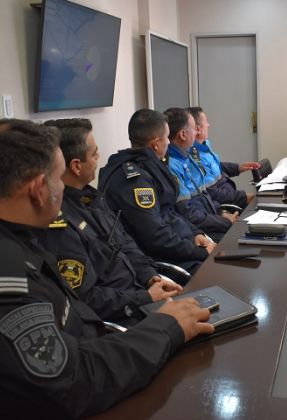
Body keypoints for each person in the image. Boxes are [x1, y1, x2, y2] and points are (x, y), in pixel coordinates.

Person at [0, 119, 213, 417]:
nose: (65, 189)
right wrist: (165, 329)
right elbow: (69, 382)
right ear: (39, 189)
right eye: (58, 177)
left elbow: (73, 316)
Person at [39, 118, 183, 324]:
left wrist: (151, 276)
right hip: (122, 318)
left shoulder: (92, 199)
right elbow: (87, 299)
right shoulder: (59, 225)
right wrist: (146, 297)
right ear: (76, 166)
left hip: (140, 295)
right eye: (94, 153)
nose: (99, 158)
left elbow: (124, 243)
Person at [99, 109, 215, 271]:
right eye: (166, 137)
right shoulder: (134, 180)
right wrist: (198, 252)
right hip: (162, 260)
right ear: (155, 143)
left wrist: (196, 234)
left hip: (182, 245)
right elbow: (155, 236)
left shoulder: (152, 165)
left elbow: (171, 211)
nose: (169, 142)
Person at [164, 107, 236, 241]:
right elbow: (189, 214)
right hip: (198, 232)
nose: (196, 132)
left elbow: (204, 195)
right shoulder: (171, 166)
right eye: (193, 128)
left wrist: (222, 212)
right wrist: (225, 222)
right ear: (183, 135)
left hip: (209, 220)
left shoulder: (187, 157)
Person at [187, 106, 259, 209]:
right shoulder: (194, 158)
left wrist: (238, 167)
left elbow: (215, 167)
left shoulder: (204, 144)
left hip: (228, 193)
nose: (209, 125)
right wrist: (243, 197)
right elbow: (211, 192)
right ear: (198, 129)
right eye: (206, 122)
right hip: (222, 203)